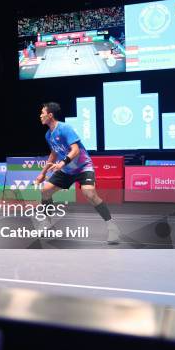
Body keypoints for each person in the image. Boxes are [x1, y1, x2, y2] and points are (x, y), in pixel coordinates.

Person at [35, 102, 121, 244]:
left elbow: (75, 150)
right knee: (45, 191)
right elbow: (53, 153)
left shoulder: (65, 128)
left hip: (82, 167)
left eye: (42, 112)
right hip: (67, 170)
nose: (40, 115)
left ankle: (112, 226)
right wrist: (43, 173)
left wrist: (62, 163)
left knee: (90, 194)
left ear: (50, 115)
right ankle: (47, 222)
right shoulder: (48, 134)